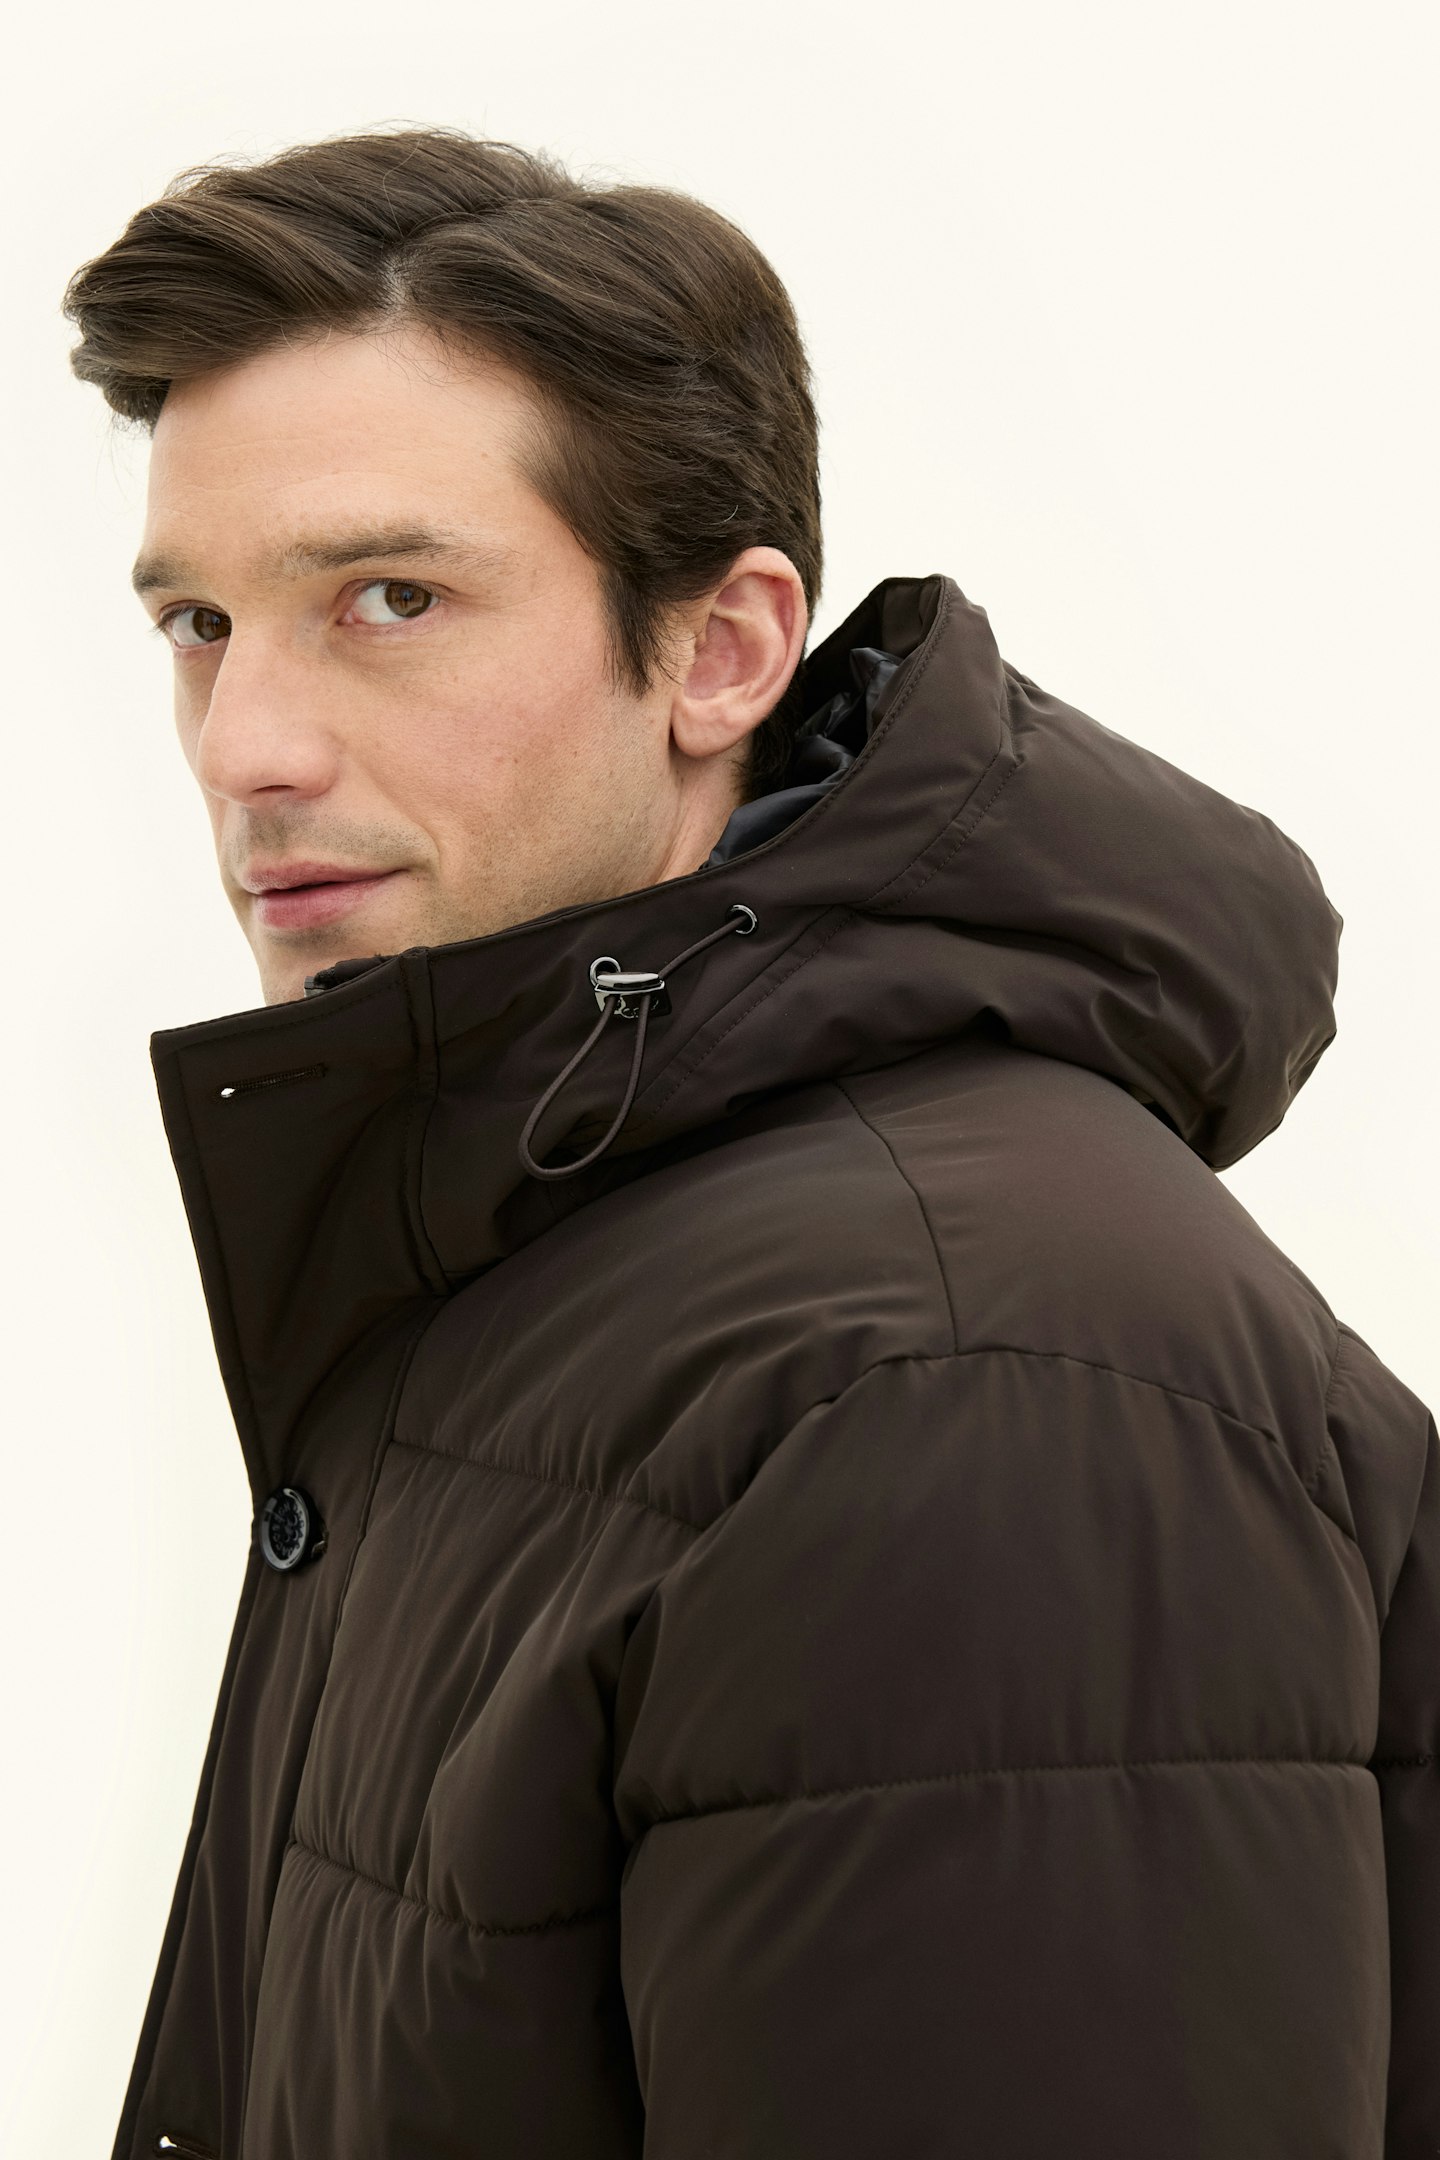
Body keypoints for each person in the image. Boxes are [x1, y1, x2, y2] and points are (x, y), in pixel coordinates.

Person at [65, 127, 1436, 2160]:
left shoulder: (960, 1377)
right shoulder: (545, 1234)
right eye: (199, 622)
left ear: (720, 652)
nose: (246, 746)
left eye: (388, 598)